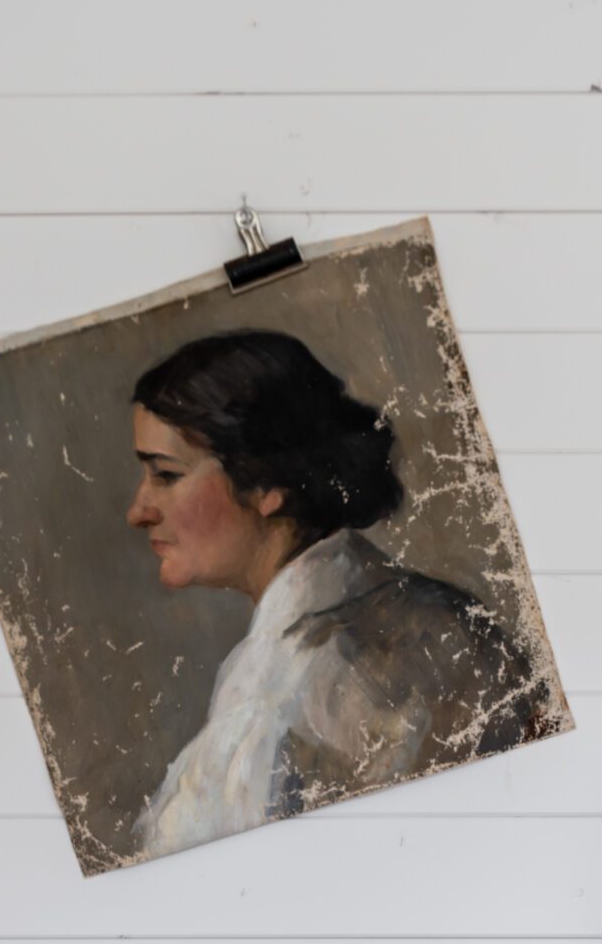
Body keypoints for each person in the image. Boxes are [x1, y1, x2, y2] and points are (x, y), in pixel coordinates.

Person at [126, 329, 541, 857]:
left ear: (265, 483)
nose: (138, 511)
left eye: (165, 474)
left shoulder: (284, 695)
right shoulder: (447, 616)